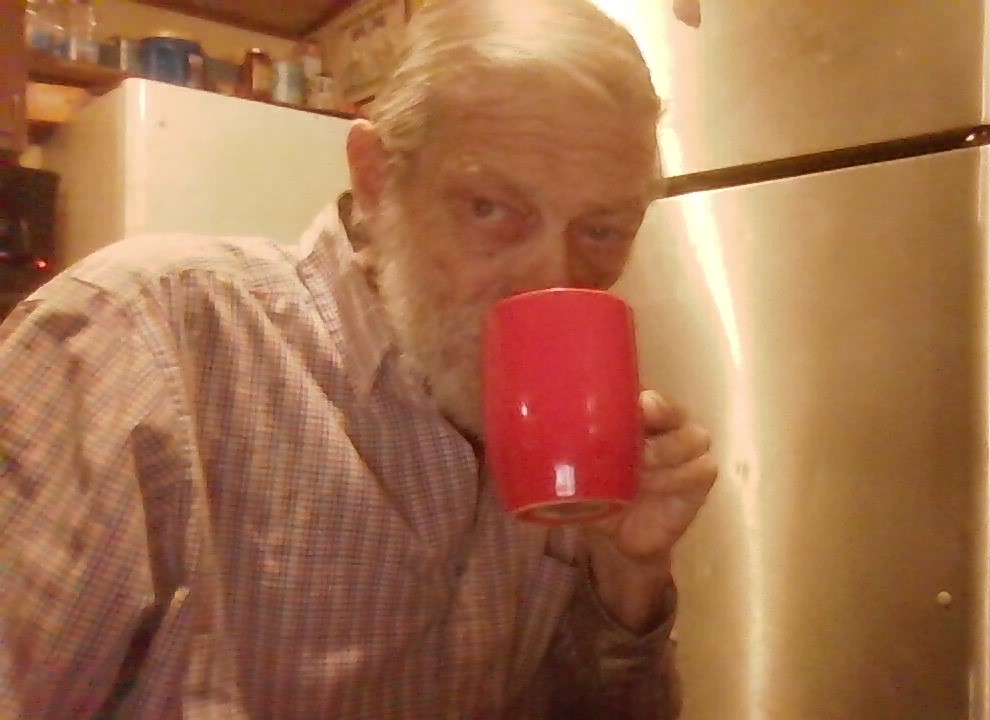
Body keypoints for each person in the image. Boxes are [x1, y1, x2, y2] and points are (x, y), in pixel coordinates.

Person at [0, 1, 718, 717]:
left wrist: (626, 580)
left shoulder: (577, 435)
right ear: (376, 178)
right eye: (490, 209)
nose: (549, 280)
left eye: (601, 231)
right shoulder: (138, 338)